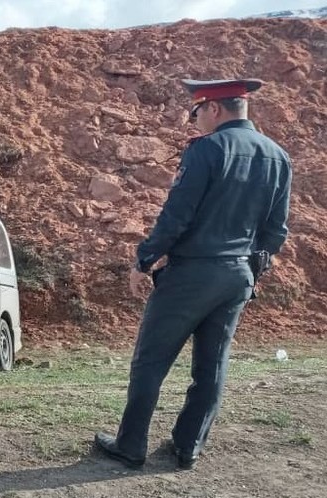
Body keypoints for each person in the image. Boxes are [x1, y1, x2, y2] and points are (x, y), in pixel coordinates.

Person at [94, 78, 292, 470]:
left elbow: (177, 216)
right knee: (212, 365)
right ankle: (188, 447)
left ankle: (130, 445)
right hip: (238, 276)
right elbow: (276, 231)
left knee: (151, 360)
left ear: (214, 108)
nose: (195, 120)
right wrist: (250, 268)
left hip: (192, 273)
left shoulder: (208, 149)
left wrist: (144, 260)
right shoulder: (278, 156)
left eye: (196, 112)